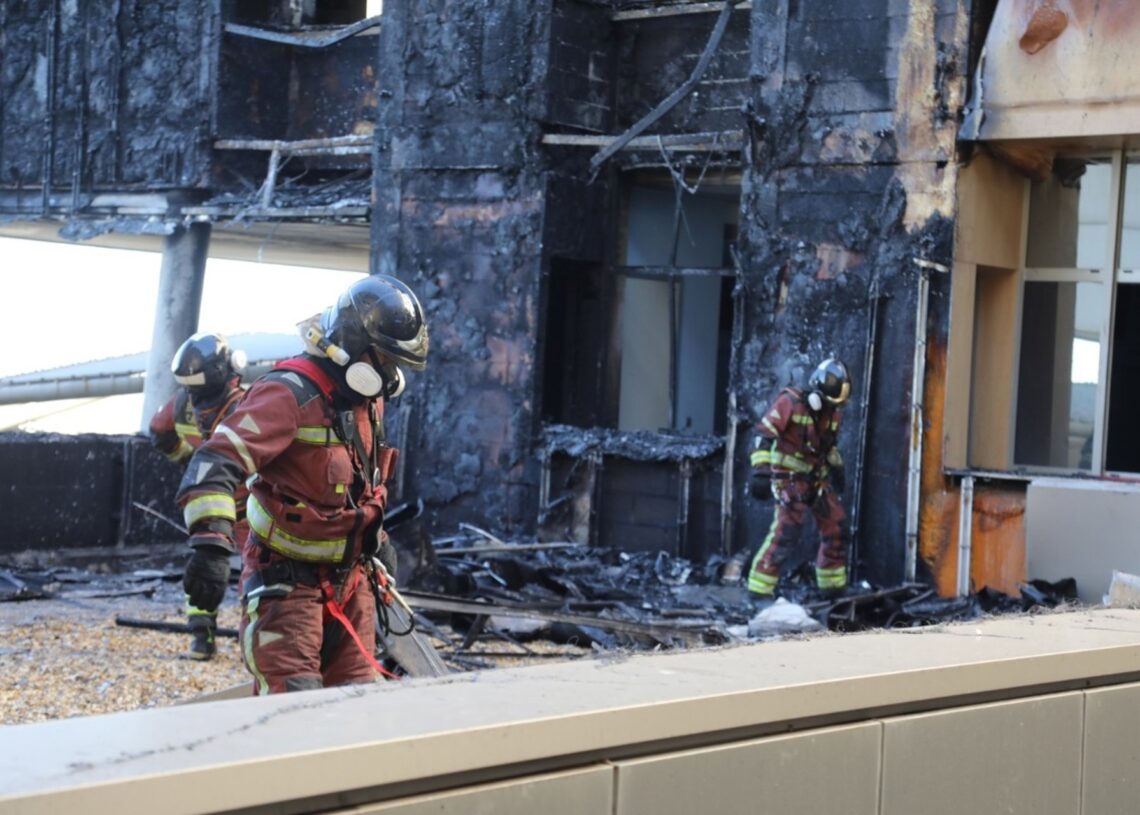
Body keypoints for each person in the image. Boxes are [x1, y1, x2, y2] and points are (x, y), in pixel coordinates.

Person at [175, 275, 428, 694]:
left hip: (353, 583)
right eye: (385, 360)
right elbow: (214, 463)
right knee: (293, 715)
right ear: (353, 343)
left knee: (354, 711)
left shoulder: (367, 397)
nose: (391, 374)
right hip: (286, 586)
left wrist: (376, 538)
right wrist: (209, 545)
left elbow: (362, 481)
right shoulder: (287, 394)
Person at [148, 332, 248, 660]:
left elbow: (159, 432)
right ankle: (259, 641)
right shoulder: (249, 404)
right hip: (249, 507)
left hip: (205, 504)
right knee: (259, 572)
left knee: (202, 565)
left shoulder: (181, 404)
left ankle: (201, 638)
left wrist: (188, 462)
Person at [746, 357, 852, 603]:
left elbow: (828, 448)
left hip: (816, 479)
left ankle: (832, 587)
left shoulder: (833, 413)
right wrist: (761, 472)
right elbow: (762, 436)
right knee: (787, 531)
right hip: (788, 479)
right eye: (827, 403)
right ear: (816, 393)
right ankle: (759, 590)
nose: (831, 409)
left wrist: (837, 469)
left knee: (837, 526)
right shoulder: (790, 402)